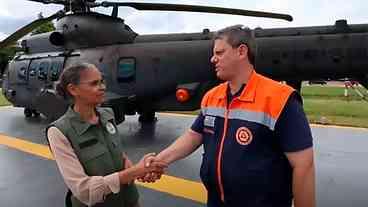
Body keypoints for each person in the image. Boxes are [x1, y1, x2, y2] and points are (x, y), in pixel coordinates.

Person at [142, 25, 315, 207]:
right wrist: (159, 160)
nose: (213, 59)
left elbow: (304, 165)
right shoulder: (212, 97)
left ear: (241, 52)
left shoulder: (280, 99)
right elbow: (194, 136)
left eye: (219, 53)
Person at [46, 63, 166, 207]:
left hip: (130, 200)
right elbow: (84, 191)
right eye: (94, 83)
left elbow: (117, 153)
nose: (102, 87)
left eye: (102, 81)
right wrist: (135, 171)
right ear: (73, 89)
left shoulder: (107, 114)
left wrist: (141, 169)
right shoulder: (59, 131)